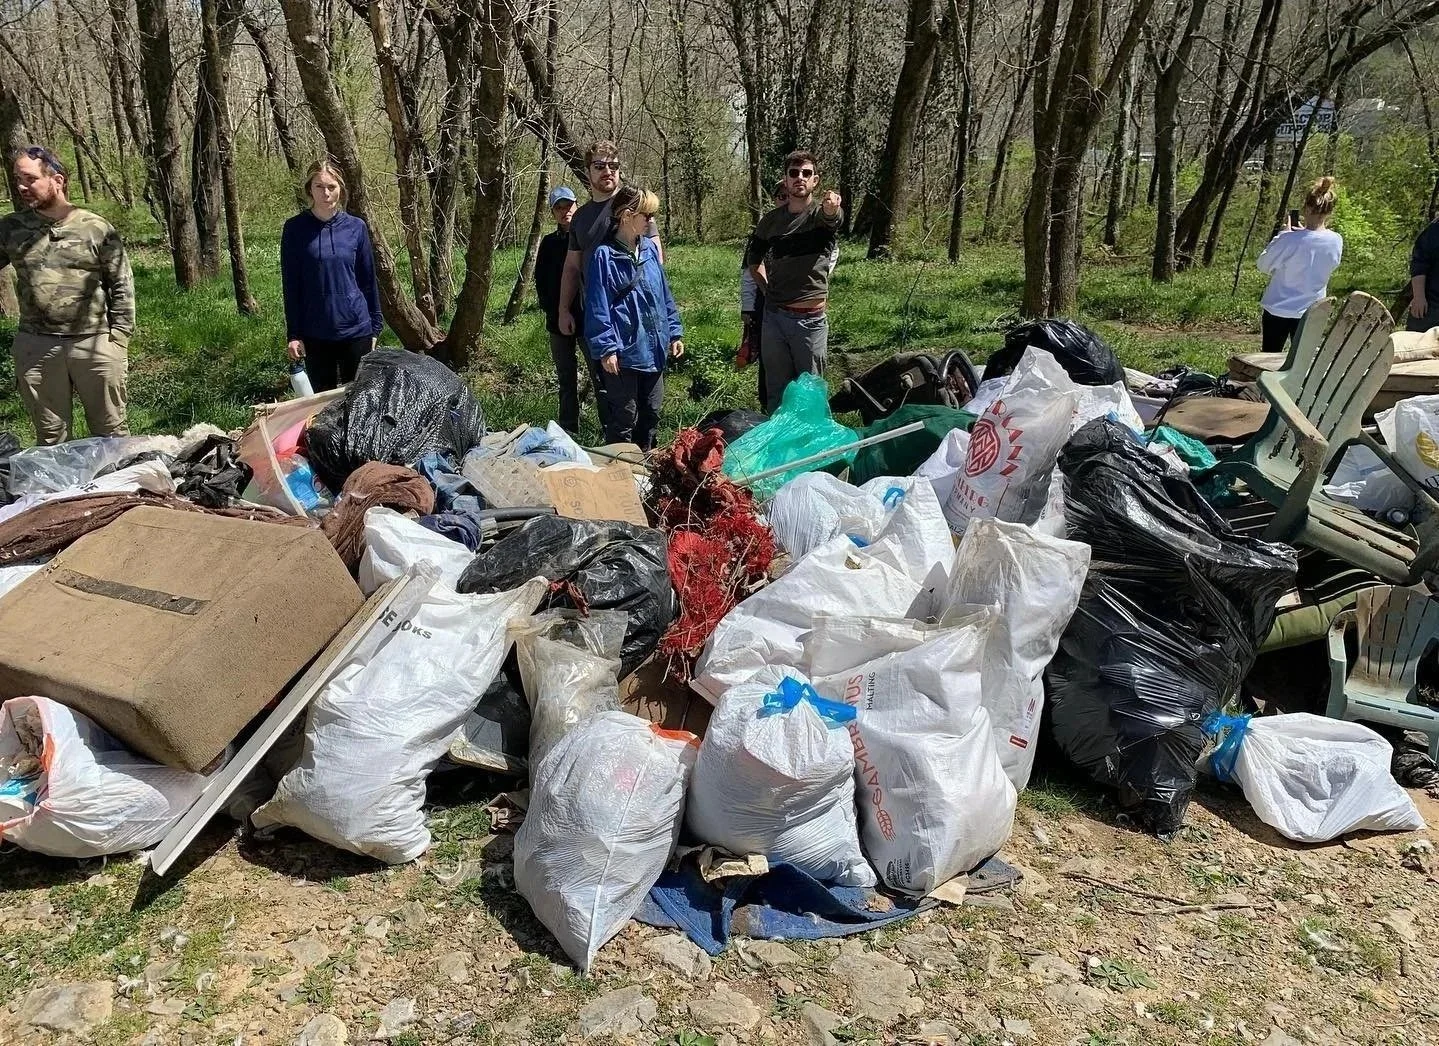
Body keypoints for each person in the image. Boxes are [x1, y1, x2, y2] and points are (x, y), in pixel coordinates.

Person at [0, 145, 134, 445]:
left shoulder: (96, 228)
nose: (21, 186)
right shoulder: (11, 228)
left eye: (29, 178)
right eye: (17, 179)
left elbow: (121, 284)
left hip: (95, 342)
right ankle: (62, 492)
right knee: (51, 439)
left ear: (57, 180)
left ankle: (121, 491)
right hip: (37, 346)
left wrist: (119, 340)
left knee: (111, 433)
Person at [558, 141, 663, 430]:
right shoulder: (580, 218)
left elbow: (655, 261)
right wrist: (563, 309)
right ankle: (615, 457)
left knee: (645, 399)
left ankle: (642, 455)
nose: (608, 171)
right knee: (608, 390)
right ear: (588, 171)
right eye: (600, 166)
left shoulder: (635, 205)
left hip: (637, 321)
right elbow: (571, 266)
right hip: (597, 317)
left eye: (614, 166)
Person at [584, 186, 683, 451]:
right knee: (624, 417)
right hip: (623, 353)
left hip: (654, 348)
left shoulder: (650, 248)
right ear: (627, 215)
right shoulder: (603, 256)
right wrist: (606, 349)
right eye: (647, 215)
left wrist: (674, 331)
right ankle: (621, 473)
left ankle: (647, 468)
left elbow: (664, 293)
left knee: (651, 412)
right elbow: (597, 306)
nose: (651, 221)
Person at [746, 149, 843, 410]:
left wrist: (832, 208)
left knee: (811, 393)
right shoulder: (770, 222)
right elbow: (753, 262)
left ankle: (814, 446)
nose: (800, 177)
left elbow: (832, 218)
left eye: (806, 173)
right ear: (786, 180)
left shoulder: (820, 217)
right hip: (775, 319)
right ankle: (779, 446)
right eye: (794, 173)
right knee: (777, 394)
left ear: (815, 180)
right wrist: (768, 293)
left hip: (810, 322)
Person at [280, 159, 383, 393]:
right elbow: (291, 285)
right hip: (316, 333)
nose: (326, 193)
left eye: (331, 187)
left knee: (358, 402)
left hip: (356, 330)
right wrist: (294, 334)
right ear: (310, 189)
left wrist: (375, 327)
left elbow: (367, 280)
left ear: (340, 189)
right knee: (321, 408)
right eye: (319, 186)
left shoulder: (356, 227)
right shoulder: (295, 229)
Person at [1256, 176, 1343, 355]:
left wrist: (1282, 235)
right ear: (1329, 211)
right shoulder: (1336, 240)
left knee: (1269, 358)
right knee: (1302, 360)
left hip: (1278, 308)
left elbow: (1263, 265)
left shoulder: (1288, 239)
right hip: (1311, 311)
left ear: (1306, 208)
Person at [535, 185, 582, 434]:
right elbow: (540, 280)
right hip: (557, 321)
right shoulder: (549, 243)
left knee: (602, 377)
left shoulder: (587, 238)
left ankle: (612, 431)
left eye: (568, 206)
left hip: (588, 320)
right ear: (553, 213)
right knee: (566, 378)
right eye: (559, 208)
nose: (565, 212)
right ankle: (569, 429)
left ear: (577, 206)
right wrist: (554, 311)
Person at [741, 180, 789, 411]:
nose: (785, 199)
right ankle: (768, 406)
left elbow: (830, 254)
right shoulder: (765, 228)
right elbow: (748, 272)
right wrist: (748, 308)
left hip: (801, 304)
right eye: (781, 196)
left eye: (788, 195)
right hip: (766, 303)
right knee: (768, 358)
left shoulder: (812, 225)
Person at [1408, 214, 1439, 333]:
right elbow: (1419, 264)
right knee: (1414, 347)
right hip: (1430, 306)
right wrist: (1419, 297)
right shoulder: (1434, 230)